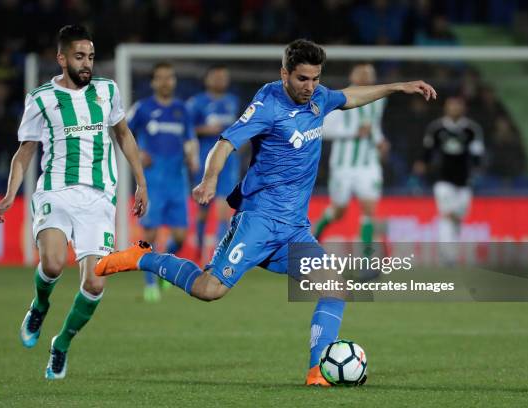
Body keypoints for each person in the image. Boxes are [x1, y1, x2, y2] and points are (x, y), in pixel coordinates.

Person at [96, 39, 436, 386]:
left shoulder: (319, 97)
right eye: (303, 79)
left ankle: (317, 370)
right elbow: (225, 143)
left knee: (334, 287)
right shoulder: (267, 104)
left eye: (316, 78)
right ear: (285, 73)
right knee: (208, 289)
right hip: (257, 221)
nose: (310, 87)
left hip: (294, 229)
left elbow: (350, 96)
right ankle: (142, 258)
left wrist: (398, 87)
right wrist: (209, 180)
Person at [0, 25, 147, 380]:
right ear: (62, 59)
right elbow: (24, 151)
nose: (87, 63)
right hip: (55, 192)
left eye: (90, 57)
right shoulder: (42, 98)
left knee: (95, 284)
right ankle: (40, 306)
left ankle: (61, 344)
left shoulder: (107, 91)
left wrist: (141, 180)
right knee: (54, 263)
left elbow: (123, 134)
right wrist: (10, 194)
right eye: (79, 57)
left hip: (98, 198)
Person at [127, 62, 198, 302]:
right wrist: (137, 154)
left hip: (177, 180)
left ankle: (160, 269)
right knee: (150, 232)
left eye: (170, 77)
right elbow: (122, 134)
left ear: (174, 81)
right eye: (161, 78)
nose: (166, 82)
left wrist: (193, 157)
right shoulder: (143, 108)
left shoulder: (182, 109)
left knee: (179, 236)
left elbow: (189, 138)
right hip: (153, 180)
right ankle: (150, 285)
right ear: (153, 82)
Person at [314, 64, 389, 257]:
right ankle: (315, 236)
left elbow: (374, 126)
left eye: (370, 74)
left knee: (369, 209)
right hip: (342, 166)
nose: (367, 77)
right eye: (363, 74)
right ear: (353, 76)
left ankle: (365, 258)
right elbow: (322, 131)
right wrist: (352, 133)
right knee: (339, 211)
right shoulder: (338, 99)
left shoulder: (378, 100)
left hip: (368, 164)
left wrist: (380, 141)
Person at [186, 65, 240, 261]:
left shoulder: (232, 101)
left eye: (224, 77)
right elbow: (187, 130)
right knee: (203, 211)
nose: (221, 80)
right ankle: (199, 254)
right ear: (208, 79)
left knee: (224, 211)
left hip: (229, 162)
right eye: (216, 77)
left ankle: (218, 259)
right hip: (204, 162)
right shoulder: (196, 103)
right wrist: (204, 130)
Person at [414, 96, 484, 246]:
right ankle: (446, 255)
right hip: (442, 178)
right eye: (451, 105)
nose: (454, 108)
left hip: (464, 180)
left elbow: (477, 154)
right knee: (446, 214)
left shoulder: (471, 129)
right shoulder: (436, 128)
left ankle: (454, 250)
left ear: (463, 108)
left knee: (459, 216)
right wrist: (422, 163)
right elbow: (427, 151)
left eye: (457, 105)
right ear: (446, 108)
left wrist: (477, 170)